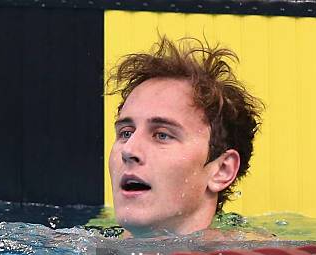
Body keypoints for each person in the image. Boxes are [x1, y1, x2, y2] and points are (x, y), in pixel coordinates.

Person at [107, 36, 264, 237]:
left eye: (162, 135)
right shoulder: (75, 253)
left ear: (222, 170)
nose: (129, 150)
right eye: (126, 133)